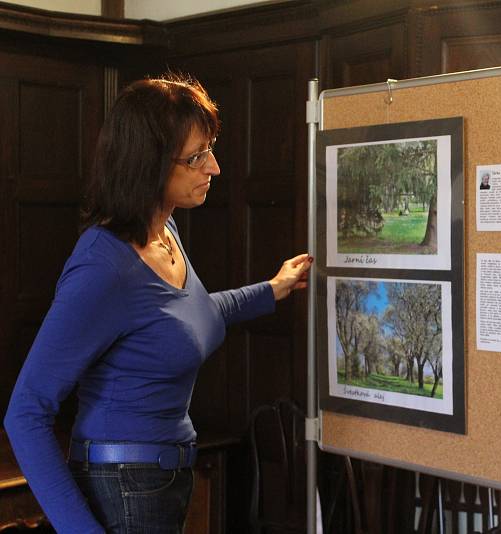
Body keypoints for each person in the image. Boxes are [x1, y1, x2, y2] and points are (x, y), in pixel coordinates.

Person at [3, 74, 313, 533]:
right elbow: (25, 412)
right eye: (197, 157)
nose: (215, 168)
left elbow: (189, 317)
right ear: (148, 165)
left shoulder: (166, 235)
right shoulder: (102, 267)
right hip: (122, 489)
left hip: (161, 481)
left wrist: (273, 288)